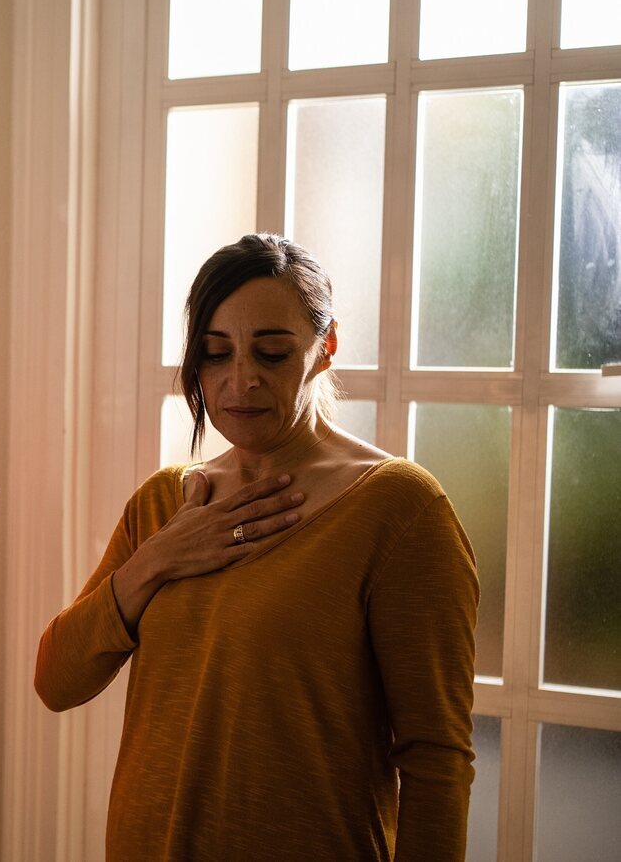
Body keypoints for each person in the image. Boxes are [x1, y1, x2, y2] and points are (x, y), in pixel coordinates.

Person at [34, 234, 479, 860]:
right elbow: (57, 680)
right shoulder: (164, 503)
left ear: (325, 350)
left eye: (271, 353)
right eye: (216, 355)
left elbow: (437, 761)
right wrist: (158, 558)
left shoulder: (399, 510)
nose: (240, 380)